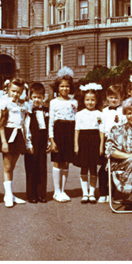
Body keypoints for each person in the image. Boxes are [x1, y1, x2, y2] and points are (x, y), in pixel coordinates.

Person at [0, 78, 33, 207]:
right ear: (8, 89)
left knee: (12, 166)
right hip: (7, 133)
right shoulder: (3, 103)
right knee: (7, 166)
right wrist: (4, 142)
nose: (15, 94)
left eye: (18, 92)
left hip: (18, 135)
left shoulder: (21, 104)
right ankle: (7, 195)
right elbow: (0, 124)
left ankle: (10, 193)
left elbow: (24, 123)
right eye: (13, 91)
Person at [49, 67, 78, 202]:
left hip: (70, 131)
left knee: (66, 162)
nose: (65, 89)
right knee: (57, 161)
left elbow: (76, 119)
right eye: (62, 86)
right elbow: (50, 122)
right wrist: (52, 140)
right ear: (57, 88)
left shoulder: (74, 102)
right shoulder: (53, 102)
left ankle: (63, 190)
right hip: (58, 131)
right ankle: (56, 191)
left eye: (67, 86)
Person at [74, 83, 104, 203]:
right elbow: (77, 130)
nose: (90, 102)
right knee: (84, 167)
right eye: (87, 100)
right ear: (83, 100)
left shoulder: (100, 114)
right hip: (83, 141)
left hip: (95, 141)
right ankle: (84, 193)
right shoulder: (79, 114)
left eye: (92, 100)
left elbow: (102, 131)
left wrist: (101, 145)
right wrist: (76, 144)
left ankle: (92, 193)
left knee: (93, 168)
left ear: (96, 101)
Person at [98, 83, 124, 203]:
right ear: (107, 97)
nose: (113, 100)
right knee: (104, 168)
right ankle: (103, 193)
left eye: (116, 97)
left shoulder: (123, 110)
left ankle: (111, 194)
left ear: (121, 98)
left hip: (119, 142)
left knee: (115, 168)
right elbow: (102, 129)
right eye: (111, 97)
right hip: (107, 141)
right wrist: (101, 145)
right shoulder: (104, 111)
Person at [24, 82, 49, 203]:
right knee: (31, 168)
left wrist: (49, 142)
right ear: (30, 97)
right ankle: (31, 194)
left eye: (39, 97)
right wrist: (28, 144)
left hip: (43, 141)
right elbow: (26, 128)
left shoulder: (46, 110)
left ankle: (41, 193)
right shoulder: (28, 111)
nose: (37, 100)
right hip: (32, 142)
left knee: (42, 168)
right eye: (34, 97)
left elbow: (49, 127)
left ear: (43, 97)